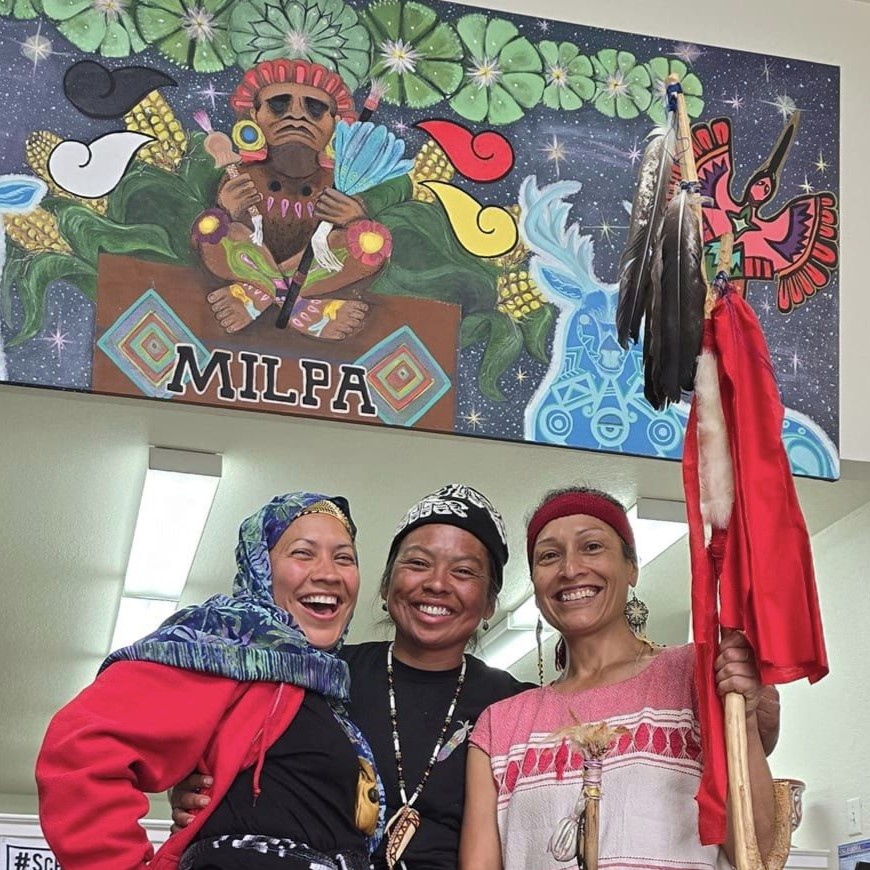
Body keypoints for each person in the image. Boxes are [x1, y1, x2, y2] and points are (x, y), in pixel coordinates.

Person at [173, 483, 535, 870]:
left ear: (490, 602)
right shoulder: (319, 675)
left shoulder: (517, 708)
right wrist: (200, 789)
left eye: (463, 571)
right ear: (386, 584)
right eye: (417, 563)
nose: (436, 583)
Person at [36, 492, 383, 870]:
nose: (328, 573)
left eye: (344, 558)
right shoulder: (219, 649)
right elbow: (81, 747)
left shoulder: (329, 689)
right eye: (303, 553)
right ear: (260, 567)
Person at [461, 486, 780, 870]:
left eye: (592, 547)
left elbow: (755, 851)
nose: (570, 568)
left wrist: (745, 716)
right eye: (549, 555)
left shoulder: (699, 674)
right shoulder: (500, 727)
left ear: (632, 567)